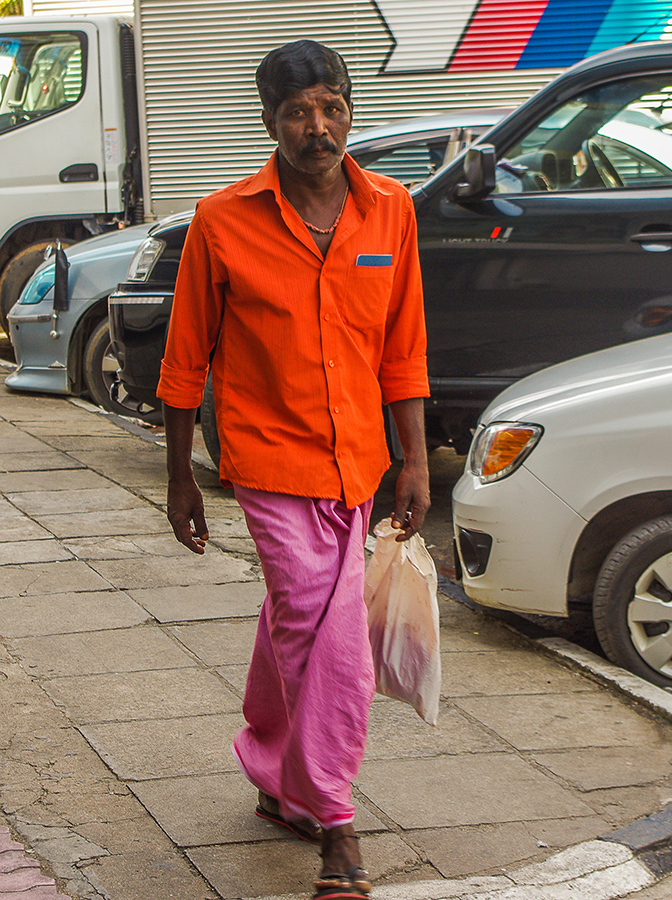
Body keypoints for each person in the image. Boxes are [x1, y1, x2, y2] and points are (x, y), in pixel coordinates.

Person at [157, 40, 430, 900]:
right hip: (269, 460)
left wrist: (414, 457)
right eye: (297, 113)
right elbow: (184, 356)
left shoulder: (391, 212)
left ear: (350, 106)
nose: (318, 128)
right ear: (269, 122)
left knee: (297, 619)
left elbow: (404, 348)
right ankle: (337, 825)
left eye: (332, 107)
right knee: (327, 625)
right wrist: (179, 475)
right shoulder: (221, 220)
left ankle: (275, 772)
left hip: (357, 462)